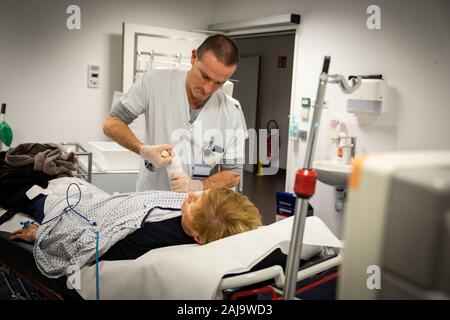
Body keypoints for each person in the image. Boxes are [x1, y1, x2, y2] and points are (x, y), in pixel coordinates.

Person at [10, 180, 261, 276]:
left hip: (71, 215)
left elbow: (90, 246)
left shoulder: (147, 238)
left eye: (196, 204)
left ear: (198, 237)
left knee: (27, 195)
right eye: (203, 195)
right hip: (100, 201)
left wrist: (41, 233)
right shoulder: (196, 220)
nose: (192, 196)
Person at [103, 34, 247, 193]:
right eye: (205, 76)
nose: (208, 89)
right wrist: (144, 150)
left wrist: (198, 186)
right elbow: (112, 123)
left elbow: (233, 173)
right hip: (151, 199)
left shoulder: (231, 114)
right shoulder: (154, 82)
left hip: (196, 207)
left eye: (219, 83)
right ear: (193, 57)